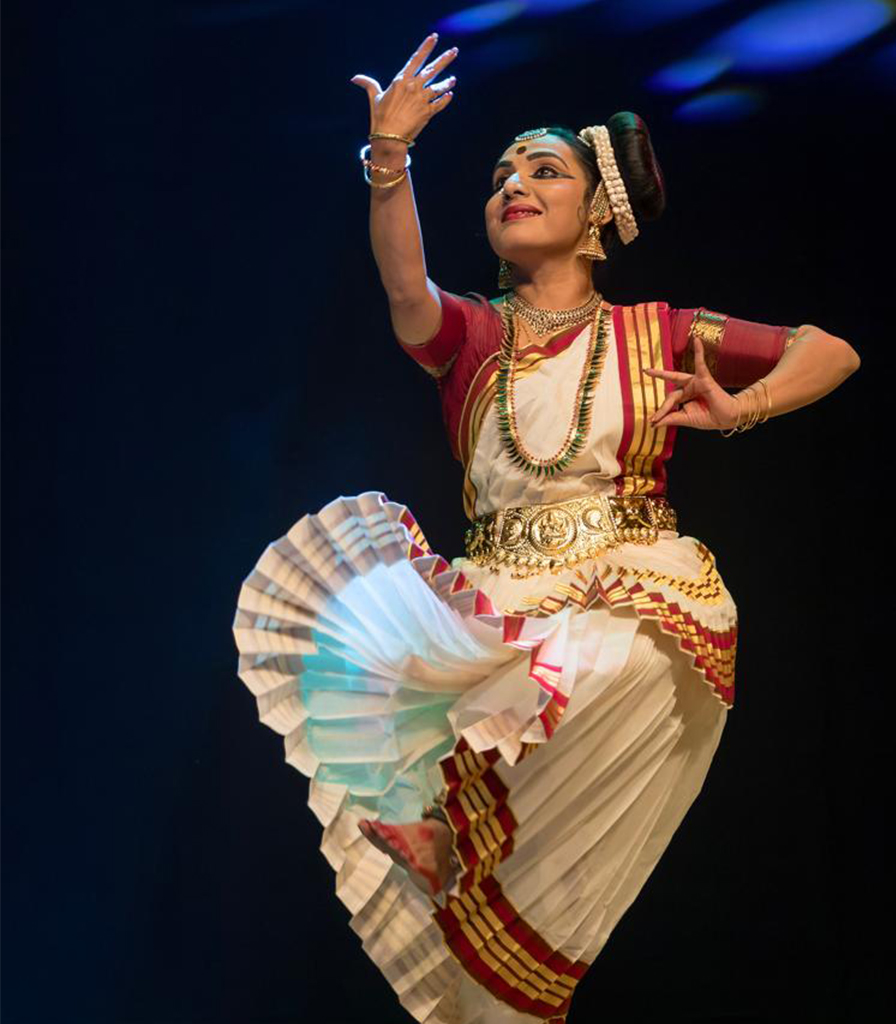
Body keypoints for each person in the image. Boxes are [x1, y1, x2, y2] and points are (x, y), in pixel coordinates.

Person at [233, 32, 861, 1024]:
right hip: (503, 590)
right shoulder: (474, 336)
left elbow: (828, 350)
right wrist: (389, 159)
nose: (512, 182)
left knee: (593, 662)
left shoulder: (657, 333)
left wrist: (747, 406)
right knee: (350, 626)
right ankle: (435, 826)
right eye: (499, 173)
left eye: (543, 168)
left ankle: (452, 796)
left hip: (632, 590)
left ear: (597, 214)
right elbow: (406, 289)